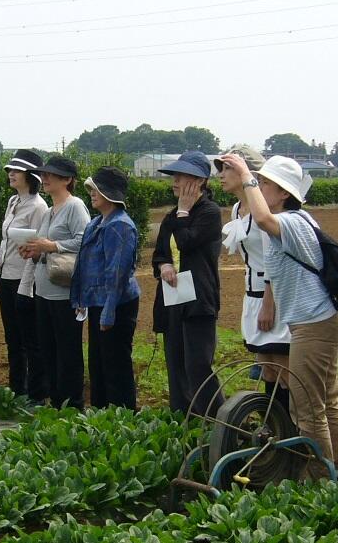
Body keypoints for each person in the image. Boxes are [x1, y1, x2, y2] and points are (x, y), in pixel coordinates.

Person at [220, 154, 338, 481]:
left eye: (266, 183)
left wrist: (245, 174)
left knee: (307, 407)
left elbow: (264, 219)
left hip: (314, 323)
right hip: (318, 319)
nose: (260, 186)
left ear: (283, 193)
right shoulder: (294, 221)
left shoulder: (293, 221)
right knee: (327, 399)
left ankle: (319, 479)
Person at [152, 151, 224, 418]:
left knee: (198, 366)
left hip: (199, 300)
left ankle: (219, 423)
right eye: (174, 176)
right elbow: (161, 251)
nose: (175, 181)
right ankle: (183, 421)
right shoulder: (172, 216)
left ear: (200, 181)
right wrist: (164, 265)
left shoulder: (209, 213)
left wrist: (183, 211)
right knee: (176, 363)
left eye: (181, 176)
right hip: (174, 298)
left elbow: (186, 241)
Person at [216, 144, 291, 397]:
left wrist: (268, 303)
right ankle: (274, 425)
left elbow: (275, 256)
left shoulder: (263, 208)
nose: (221, 175)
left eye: (228, 168)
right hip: (252, 293)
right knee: (265, 367)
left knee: (282, 367)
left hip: (273, 294)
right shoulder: (238, 209)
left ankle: (292, 426)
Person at [19, 156, 89, 409]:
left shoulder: (75, 206)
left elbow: (85, 241)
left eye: (52, 175)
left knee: (68, 351)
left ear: (68, 180)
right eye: (44, 174)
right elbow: (46, 248)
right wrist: (35, 252)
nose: (45, 178)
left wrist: (52, 245)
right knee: (49, 349)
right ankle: (57, 401)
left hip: (64, 294)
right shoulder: (49, 212)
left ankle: (73, 404)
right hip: (44, 290)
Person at [73, 166, 141, 409]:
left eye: (97, 189)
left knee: (115, 364)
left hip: (117, 303)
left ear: (111, 194)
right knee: (98, 362)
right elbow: (84, 264)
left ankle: (122, 416)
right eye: (91, 188)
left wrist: (109, 311)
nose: (92, 192)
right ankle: (101, 414)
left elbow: (117, 274)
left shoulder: (120, 226)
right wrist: (81, 298)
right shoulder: (96, 223)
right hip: (98, 302)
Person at [0, 149, 49, 400]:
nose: (11, 174)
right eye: (10, 170)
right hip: (7, 275)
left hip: (25, 280)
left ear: (31, 175)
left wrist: (26, 286)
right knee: (12, 338)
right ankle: (16, 390)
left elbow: (36, 248)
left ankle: (36, 394)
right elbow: (6, 242)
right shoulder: (13, 202)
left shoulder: (39, 207)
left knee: (30, 339)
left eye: (17, 170)